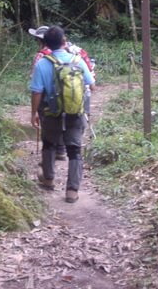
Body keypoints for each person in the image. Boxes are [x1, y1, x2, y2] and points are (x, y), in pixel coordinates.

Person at [30, 26, 95, 203]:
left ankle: (49, 180)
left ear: (46, 44)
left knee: (49, 144)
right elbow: (92, 84)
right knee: (74, 151)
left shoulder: (42, 63)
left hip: (51, 112)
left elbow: (36, 92)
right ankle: (72, 191)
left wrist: (34, 113)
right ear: (63, 40)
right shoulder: (77, 59)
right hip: (75, 112)